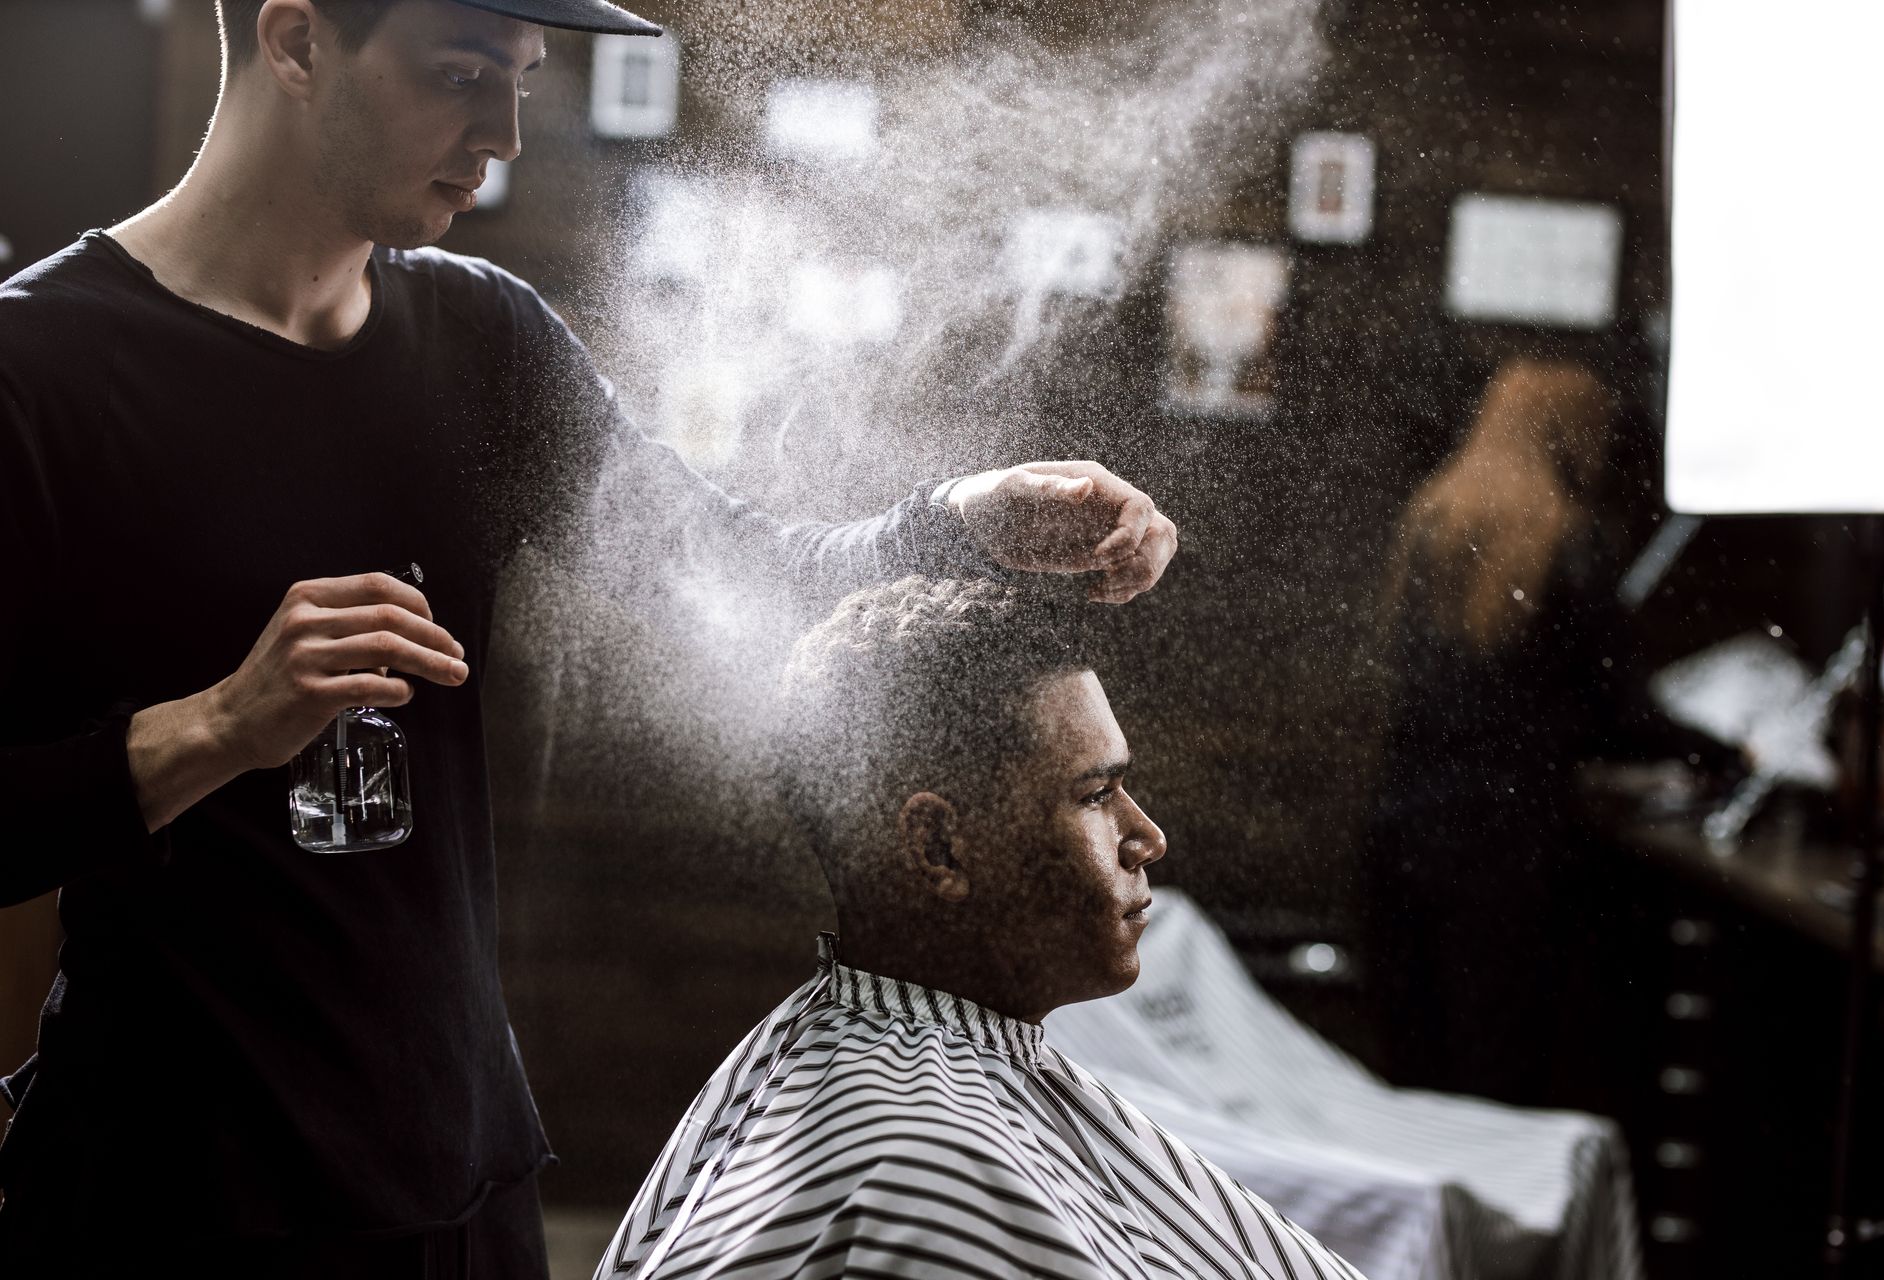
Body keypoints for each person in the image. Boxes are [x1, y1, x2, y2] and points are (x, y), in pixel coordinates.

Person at [0, 1, 1178, 1274]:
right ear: (295, 42)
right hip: (165, 1192)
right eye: (459, 77)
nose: (500, 133)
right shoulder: (41, 367)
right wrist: (218, 727)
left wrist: (957, 521)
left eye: (521, 81)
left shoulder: (483, 343)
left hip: (459, 1178)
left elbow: (730, 567)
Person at [596, 578, 1361, 1280]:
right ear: (941, 847)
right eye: (1096, 795)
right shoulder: (925, 1168)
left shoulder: (859, 1060)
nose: (1148, 837)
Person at [1364, 355, 1626, 1105]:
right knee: (1497, 1068)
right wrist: (1729, 749)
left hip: (1404, 827)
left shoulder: (1433, 516)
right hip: (1507, 847)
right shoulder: (1569, 540)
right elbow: (1617, 710)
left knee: (1417, 1059)